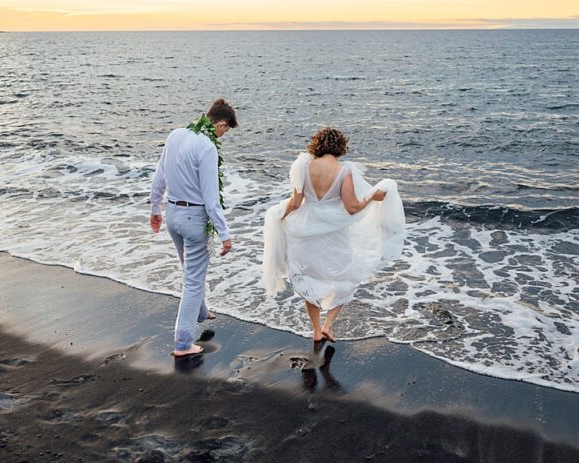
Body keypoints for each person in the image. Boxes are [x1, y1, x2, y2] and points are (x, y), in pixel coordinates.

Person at [262, 127, 405, 342]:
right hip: (334, 232)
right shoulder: (344, 170)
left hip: (304, 228)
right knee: (345, 276)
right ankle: (329, 324)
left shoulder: (302, 165)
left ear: (317, 145)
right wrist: (370, 197)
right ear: (340, 146)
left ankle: (317, 330)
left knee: (309, 279)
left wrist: (281, 214)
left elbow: (297, 201)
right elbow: (352, 207)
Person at [150, 98, 238, 357]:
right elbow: (211, 200)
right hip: (194, 218)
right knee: (193, 281)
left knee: (190, 272)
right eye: (225, 131)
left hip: (173, 215)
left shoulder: (176, 135)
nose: (223, 136)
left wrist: (156, 209)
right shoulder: (207, 146)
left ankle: (201, 311)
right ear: (220, 124)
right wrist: (225, 234)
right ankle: (183, 343)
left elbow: (160, 175)